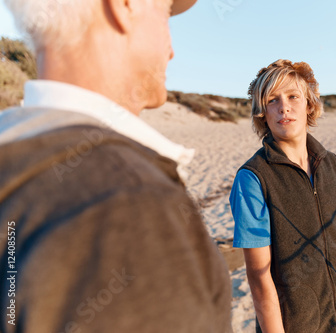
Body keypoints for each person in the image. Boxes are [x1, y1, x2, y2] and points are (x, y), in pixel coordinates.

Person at [0, 1, 232, 332]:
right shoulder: (128, 204)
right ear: (124, 6)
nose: (172, 50)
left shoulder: (14, 151)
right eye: (165, 13)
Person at [230, 59, 336, 333]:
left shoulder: (332, 164)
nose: (284, 107)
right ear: (262, 113)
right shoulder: (252, 178)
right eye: (272, 100)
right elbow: (258, 275)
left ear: (309, 105)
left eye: (293, 96)